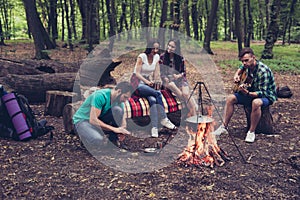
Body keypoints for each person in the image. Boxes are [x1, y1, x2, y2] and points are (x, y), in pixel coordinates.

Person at [213, 47, 277, 143]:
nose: (244, 63)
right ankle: (224, 127)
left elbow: (262, 92)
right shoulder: (247, 66)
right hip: (250, 92)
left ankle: (251, 132)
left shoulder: (263, 71)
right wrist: (236, 75)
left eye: (246, 60)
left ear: (253, 57)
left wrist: (247, 93)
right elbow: (241, 68)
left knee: (256, 103)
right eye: (242, 61)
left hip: (266, 95)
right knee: (230, 98)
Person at [133, 38, 176, 138]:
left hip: (148, 83)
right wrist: (147, 82)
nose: (155, 51)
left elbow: (157, 73)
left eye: (157, 49)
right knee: (157, 94)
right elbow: (137, 73)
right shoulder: (142, 57)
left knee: (152, 100)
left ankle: (154, 128)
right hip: (137, 83)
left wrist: (158, 81)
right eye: (153, 48)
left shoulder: (156, 57)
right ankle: (164, 118)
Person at [73, 81, 133, 147]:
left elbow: (123, 119)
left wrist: (121, 130)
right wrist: (114, 129)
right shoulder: (100, 96)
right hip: (83, 120)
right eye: (125, 97)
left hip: (99, 119)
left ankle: (113, 140)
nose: (125, 100)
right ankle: (84, 137)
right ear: (119, 91)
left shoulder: (119, 100)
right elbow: (93, 120)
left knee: (117, 110)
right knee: (97, 140)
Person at [159, 38, 197, 118]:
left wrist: (178, 76)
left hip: (180, 80)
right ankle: (193, 111)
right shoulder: (162, 57)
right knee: (172, 84)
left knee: (186, 94)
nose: (170, 48)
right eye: (169, 45)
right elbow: (161, 72)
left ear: (176, 48)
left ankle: (193, 113)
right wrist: (165, 78)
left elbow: (183, 72)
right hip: (168, 81)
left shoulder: (180, 58)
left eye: (172, 47)